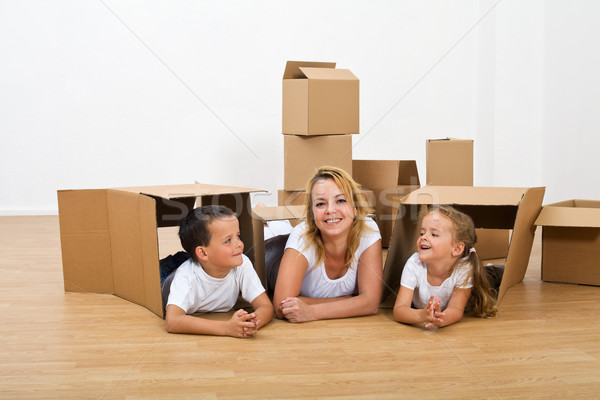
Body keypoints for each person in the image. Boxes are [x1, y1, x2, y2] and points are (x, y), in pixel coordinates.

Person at [273, 166, 383, 322]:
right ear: (312, 213)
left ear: (356, 208)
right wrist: (352, 301)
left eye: (340, 200)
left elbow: (371, 303)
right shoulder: (301, 237)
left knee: (283, 228)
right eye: (320, 204)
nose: (330, 210)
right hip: (271, 256)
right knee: (276, 232)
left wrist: (312, 311)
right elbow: (281, 306)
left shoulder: (368, 230)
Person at [164, 205, 273, 338]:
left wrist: (251, 322)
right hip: (168, 274)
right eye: (228, 240)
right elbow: (172, 321)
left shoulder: (241, 263)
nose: (239, 244)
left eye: (238, 236)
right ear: (203, 252)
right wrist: (226, 328)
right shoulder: (186, 277)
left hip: (201, 261)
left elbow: (266, 307)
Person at [393, 205, 497, 328]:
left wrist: (441, 319)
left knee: (492, 276)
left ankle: (496, 269)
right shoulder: (414, 264)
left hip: (482, 275)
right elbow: (399, 310)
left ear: (457, 248)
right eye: (422, 232)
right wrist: (421, 315)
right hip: (423, 310)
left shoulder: (465, 269)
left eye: (434, 234)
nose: (423, 237)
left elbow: (456, 309)